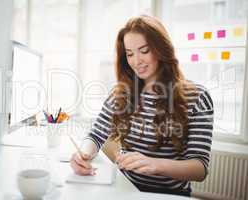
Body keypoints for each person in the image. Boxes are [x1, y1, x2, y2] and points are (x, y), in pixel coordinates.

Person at [70, 15, 213, 197]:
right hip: (125, 189)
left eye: (144, 51)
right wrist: (83, 154)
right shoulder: (121, 93)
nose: (136, 61)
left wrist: (155, 164)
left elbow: (199, 168)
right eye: (130, 54)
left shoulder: (197, 96)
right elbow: (96, 135)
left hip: (168, 195)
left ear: (161, 49)